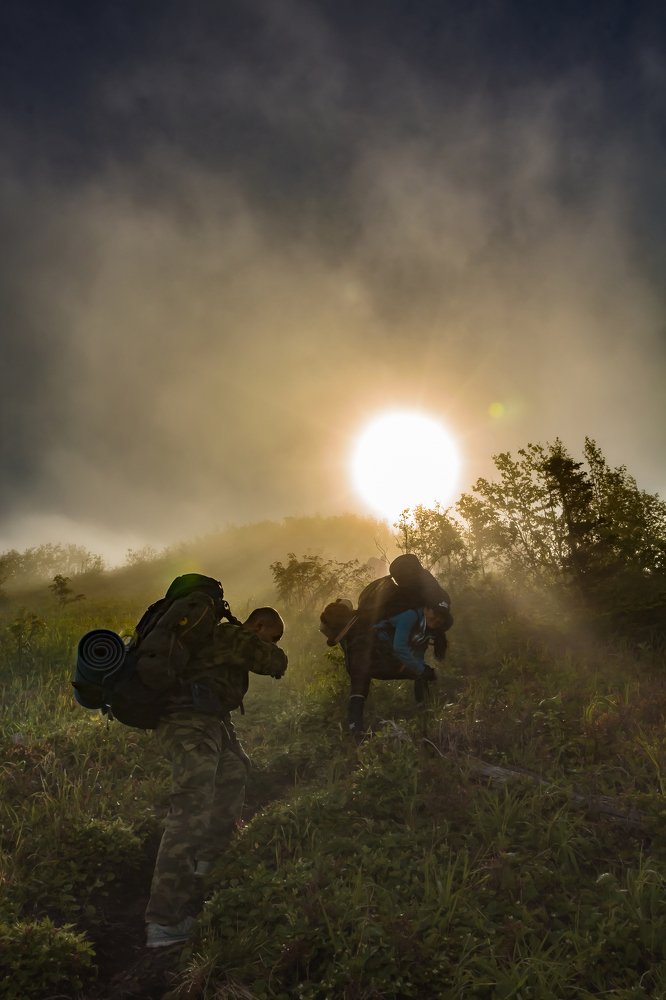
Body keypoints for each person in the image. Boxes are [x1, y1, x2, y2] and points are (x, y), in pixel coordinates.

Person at [143, 603, 287, 949]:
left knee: (236, 770)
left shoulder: (223, 639)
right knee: (190, 809)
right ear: (258, 626)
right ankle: (164, 921)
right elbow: (275, 663)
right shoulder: (233, 635)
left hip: (210, 719)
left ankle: (207, 861)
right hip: (187, 723)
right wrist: (272, 649)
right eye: (273, 635)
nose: (274, 642)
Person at [320, 597, 449, 743]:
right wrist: (424, 670)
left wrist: (422, 669)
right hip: (377, 653)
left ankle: (357, 733)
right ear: (426, 608)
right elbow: (400, 648)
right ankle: (425, 714)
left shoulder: (421, 624)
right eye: (435, 613)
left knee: (359, 687)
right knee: (361, 685)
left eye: (441, 617)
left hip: (371, 653)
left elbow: (415, 654)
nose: (437, 619)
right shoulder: (411, 616)